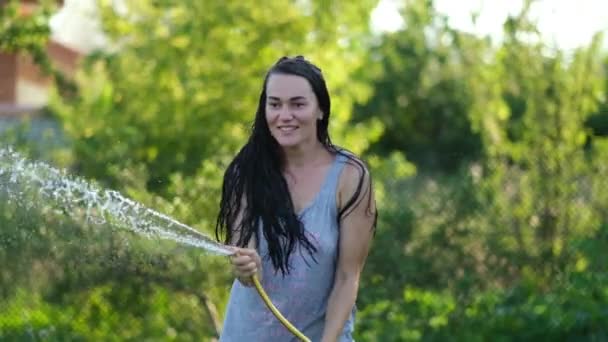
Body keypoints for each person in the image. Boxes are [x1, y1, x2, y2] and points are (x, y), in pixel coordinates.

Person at [215, 55, 377, 342]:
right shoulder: (247, 170)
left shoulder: (350, 176)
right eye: (275, 104)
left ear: (320, 110)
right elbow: (244, 269)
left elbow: (347, 277)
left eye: (298, 104)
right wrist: (245, 267)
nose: (284, 115)